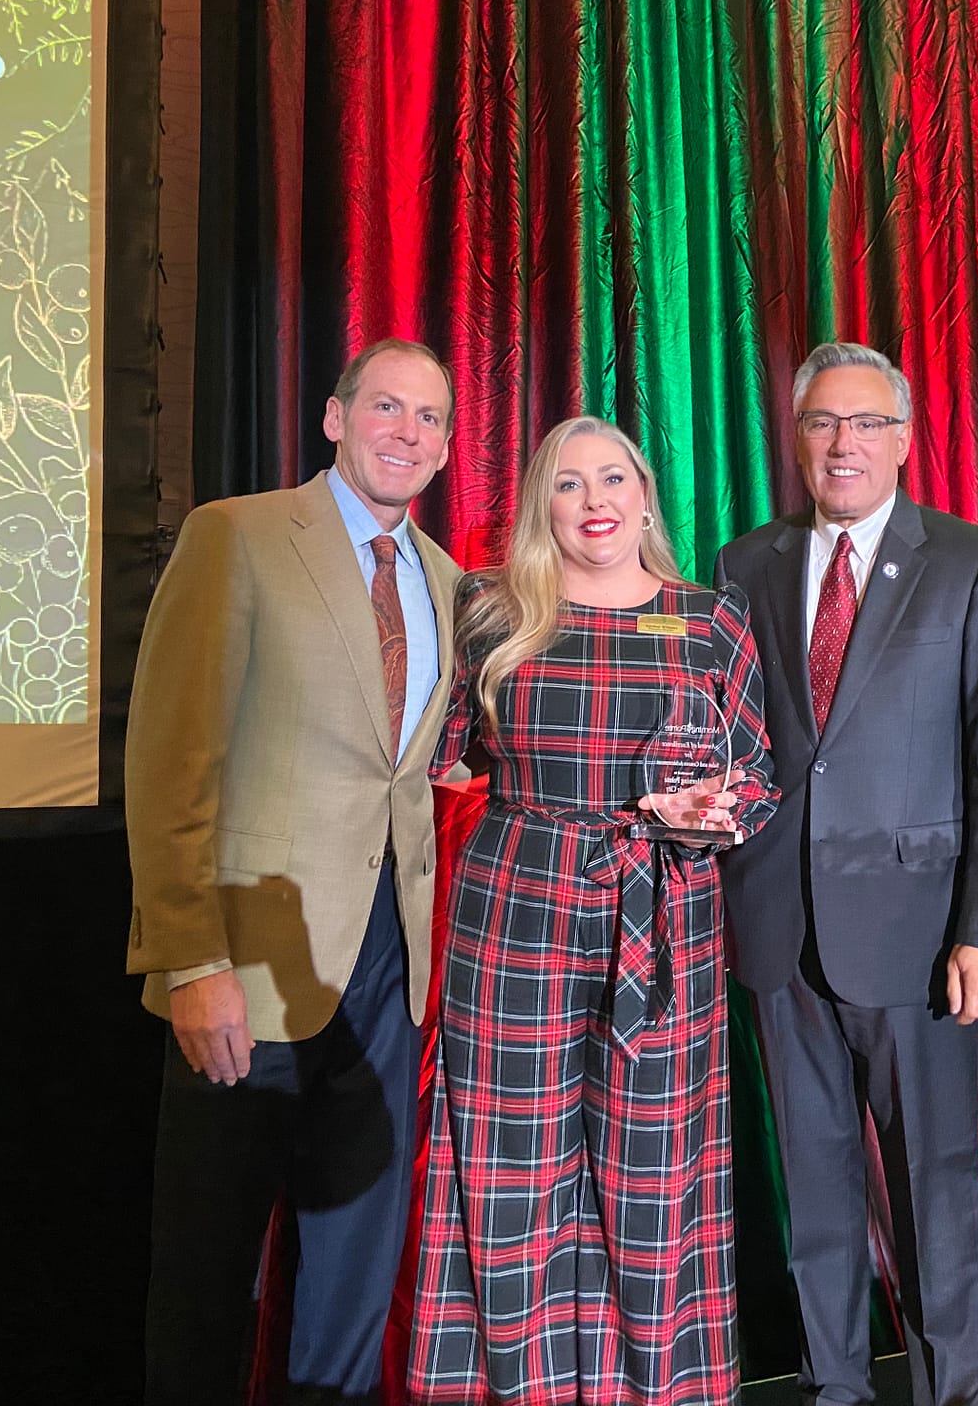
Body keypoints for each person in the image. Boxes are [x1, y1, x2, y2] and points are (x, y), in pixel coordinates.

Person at [408, 417, 778, 1406]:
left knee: (653, 1176)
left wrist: (708, 813)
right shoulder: (488, 609)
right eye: (568, 484)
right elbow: (441, 758)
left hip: (664, 915)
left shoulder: (708, 619)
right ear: (543, 506)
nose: (595, 500)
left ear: (647, 495)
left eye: (613, 477)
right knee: (511, 1168)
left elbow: (759, 775)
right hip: (514, 910)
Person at [126, 339, 463, 1405]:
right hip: (249, 968)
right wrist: (191, 960)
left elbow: (409, 767)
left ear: (448, 446)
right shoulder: (239, 536)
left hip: (386, 976)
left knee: (352, 1275)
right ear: (334, 417)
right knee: (205, 1273)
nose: (407, 432)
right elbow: (174, 760)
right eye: (387, 407)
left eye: (430, 418)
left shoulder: (449, 581)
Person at [715, 342, 978, 1406]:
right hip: (777, 930)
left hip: (922, 934)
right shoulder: (743, 562)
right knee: (814, 1190)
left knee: (935, 1192)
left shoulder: (970, 561)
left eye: (865, 423)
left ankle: (952, 1393)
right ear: (796, 436)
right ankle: (836, 1390)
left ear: (904, 438)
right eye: (821, 422)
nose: (842, 443)